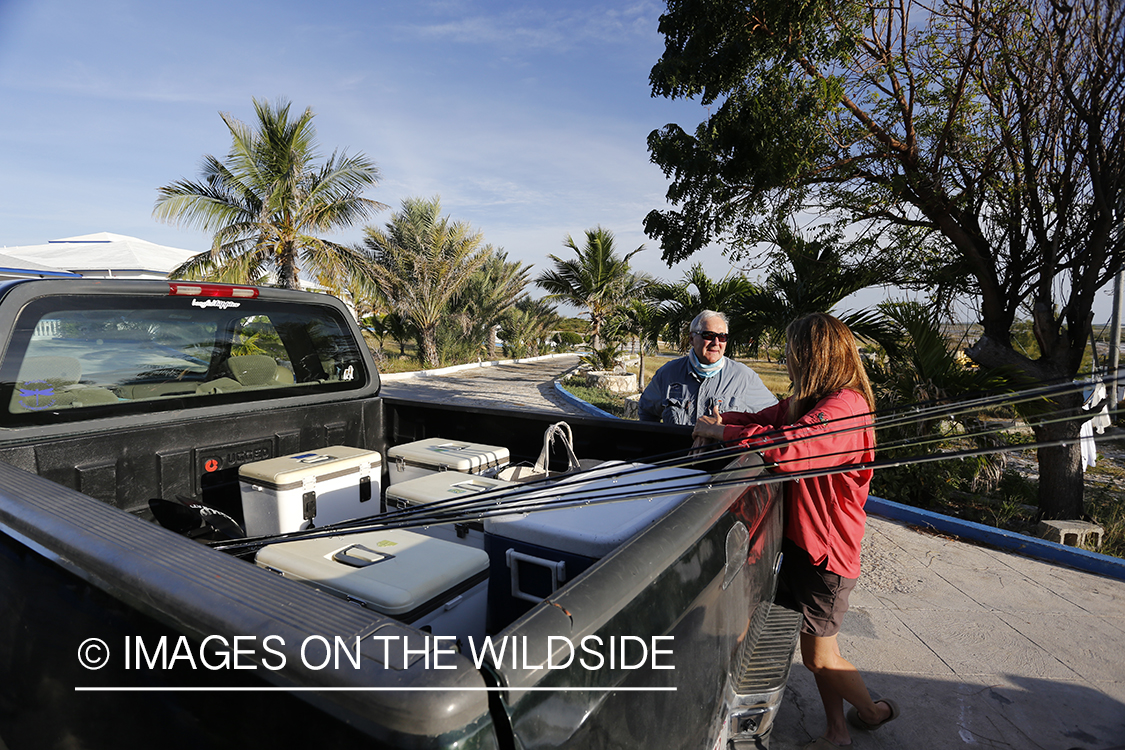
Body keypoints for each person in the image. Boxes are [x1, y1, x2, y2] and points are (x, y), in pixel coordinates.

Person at [692, 312, 899, 750]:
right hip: (802, 544)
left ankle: (873, 712)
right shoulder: (811, 402)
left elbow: (788, 448)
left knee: (821, 656)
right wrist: (722, 420)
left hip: (827, 556)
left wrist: (724, 432)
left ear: (812, 356)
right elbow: (769, 418)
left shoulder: (845, 407)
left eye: (791, 352)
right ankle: (837, 731)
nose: (786, 359)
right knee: (815, 650)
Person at [637, 310, 777, 425]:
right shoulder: (668, 373)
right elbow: (647, 412)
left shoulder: (744, 377)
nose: (716, 343)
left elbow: (775, 416)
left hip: (723, 458)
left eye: (722, 337)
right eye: (708, 335)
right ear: (691, 338)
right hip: (678, 457)